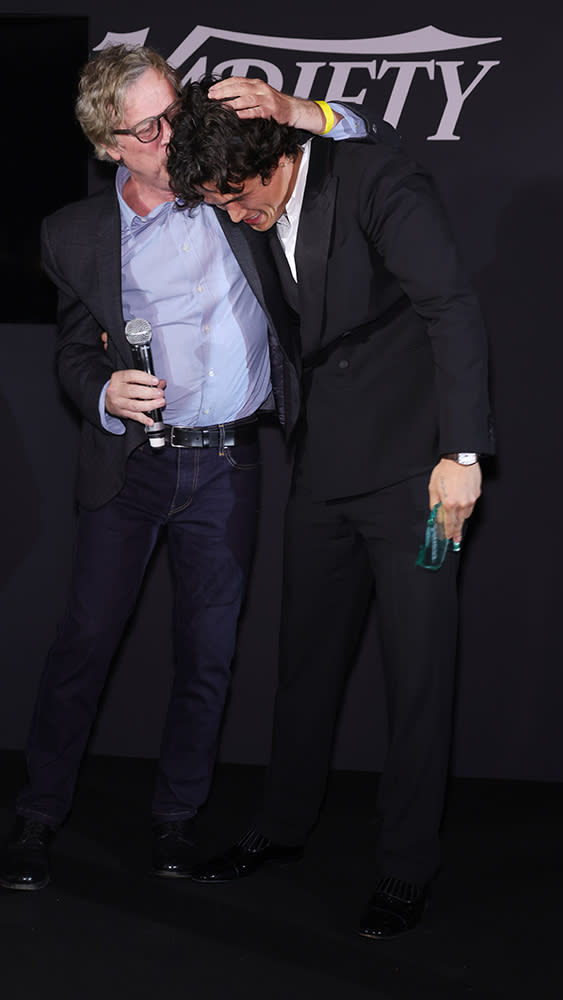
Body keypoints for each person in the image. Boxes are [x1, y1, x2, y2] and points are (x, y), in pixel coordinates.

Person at [0, 44, 392, 891]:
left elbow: (371, 140)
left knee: (208, 657)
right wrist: (102, 389)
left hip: (228, 467)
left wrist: (295, 111)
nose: (172, 135)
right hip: (130, 467)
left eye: (173, 111)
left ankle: (177, 818)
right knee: (83, 646)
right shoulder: (73, 235)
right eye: (149, 128)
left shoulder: (229, 183)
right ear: (109, 146)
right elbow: (70, 350)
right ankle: (37, 816)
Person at [166, 78, 494, 938]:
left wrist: (461, 455)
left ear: (279, 159)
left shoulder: (378, 182)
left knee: (418, 673)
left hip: (417, 477)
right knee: (304, 663)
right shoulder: (239, 195)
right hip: (320, 463)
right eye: (217, 205)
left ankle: (405, 865)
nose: (235, 218)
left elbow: (450, 307)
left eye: (239, 199)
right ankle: (280, 824)